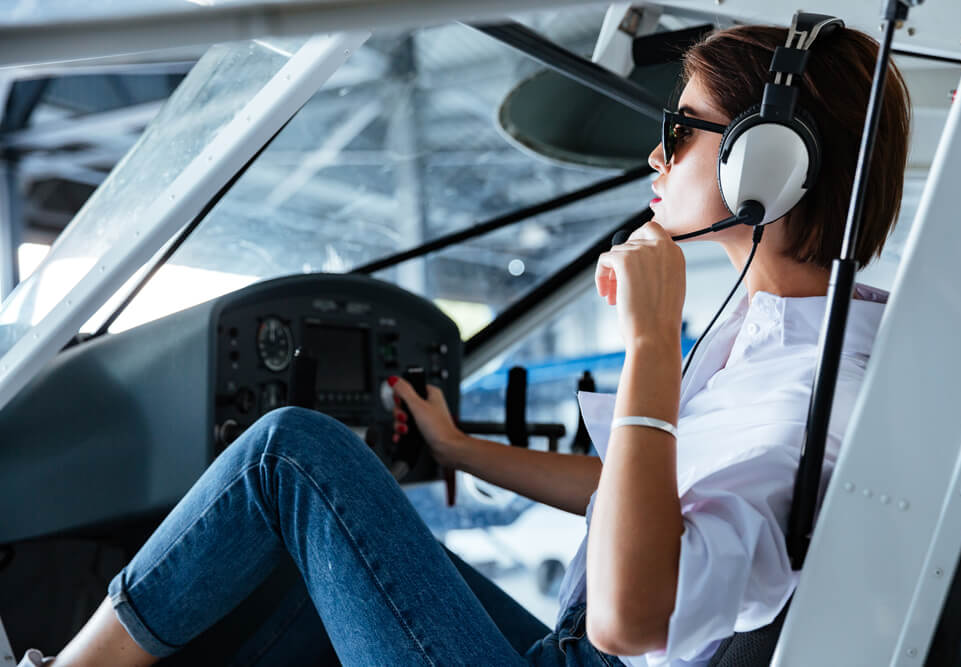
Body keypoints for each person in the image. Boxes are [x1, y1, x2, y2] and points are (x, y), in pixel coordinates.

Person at [20, 18, 910, 667]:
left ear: (769, 165)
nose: (655, 155)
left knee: (289, 455)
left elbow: (633, 616)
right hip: (563, 652)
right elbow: (643, 499)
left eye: (680, 130)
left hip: (591, 653)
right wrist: (457, 448)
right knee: (275, 596)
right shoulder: (791, 343)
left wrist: (646, 348)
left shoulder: (806, 402)